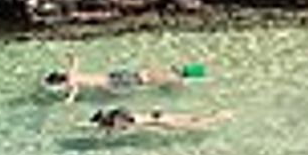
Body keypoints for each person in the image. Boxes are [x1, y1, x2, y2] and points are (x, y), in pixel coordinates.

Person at [43, 54, 204, 103]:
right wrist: (70, 57)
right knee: (142, 75)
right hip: (113, 75)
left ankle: (179, 77)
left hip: (113, 83)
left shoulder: (71, 82)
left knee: (144, 81)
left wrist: (67, 100)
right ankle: (189, 71)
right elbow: (76, 60)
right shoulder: (72, 73)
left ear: (60, 82)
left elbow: (73, 94)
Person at [90, 107, 233, 133]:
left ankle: (220, 117)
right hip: (158, 114)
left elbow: (120, 127)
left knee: (192, 126)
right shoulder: (118, 113)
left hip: (160, 122)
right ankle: (218, 114)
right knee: (191, 118)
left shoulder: (118, 120)